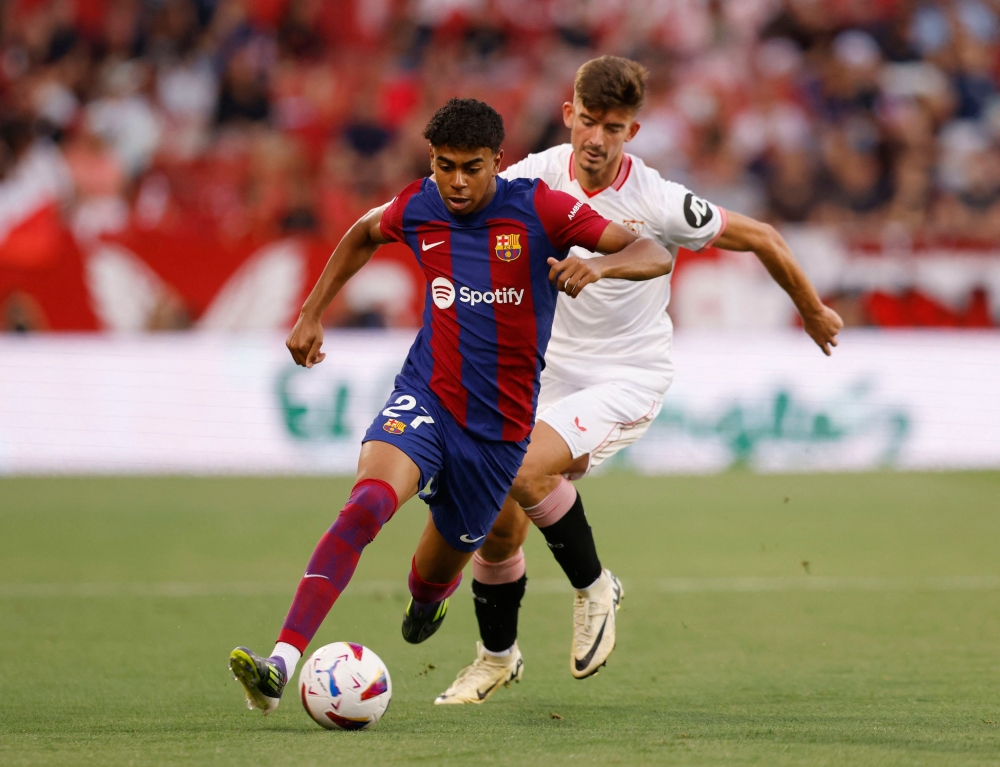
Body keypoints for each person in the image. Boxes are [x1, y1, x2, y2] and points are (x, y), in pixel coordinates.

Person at [228, 97, 675, 715]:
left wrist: (597, 266)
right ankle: (280, 662)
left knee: (428, 582)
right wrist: (310, 313)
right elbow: (363, 232)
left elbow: (655, 253)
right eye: (444, 166)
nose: (457, 182)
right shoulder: (420, 204)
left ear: (498, 161)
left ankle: (428, 600)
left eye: (471, 167)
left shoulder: (539, 208)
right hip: (428, 396)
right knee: (367, 503)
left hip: (497, 436)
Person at [430, 58, 844, 705]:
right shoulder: (531, 177)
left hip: (626, 376)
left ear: (633, 131)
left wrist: (812, 309)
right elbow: (458, 211)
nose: (596, 138)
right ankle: (495, 657)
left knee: (522, 471)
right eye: (588, 121)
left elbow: (762, 236)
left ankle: (595, 585)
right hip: (544, 373)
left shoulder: (658, 200)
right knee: (498, 516)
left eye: (613, 127)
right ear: (569, 114)